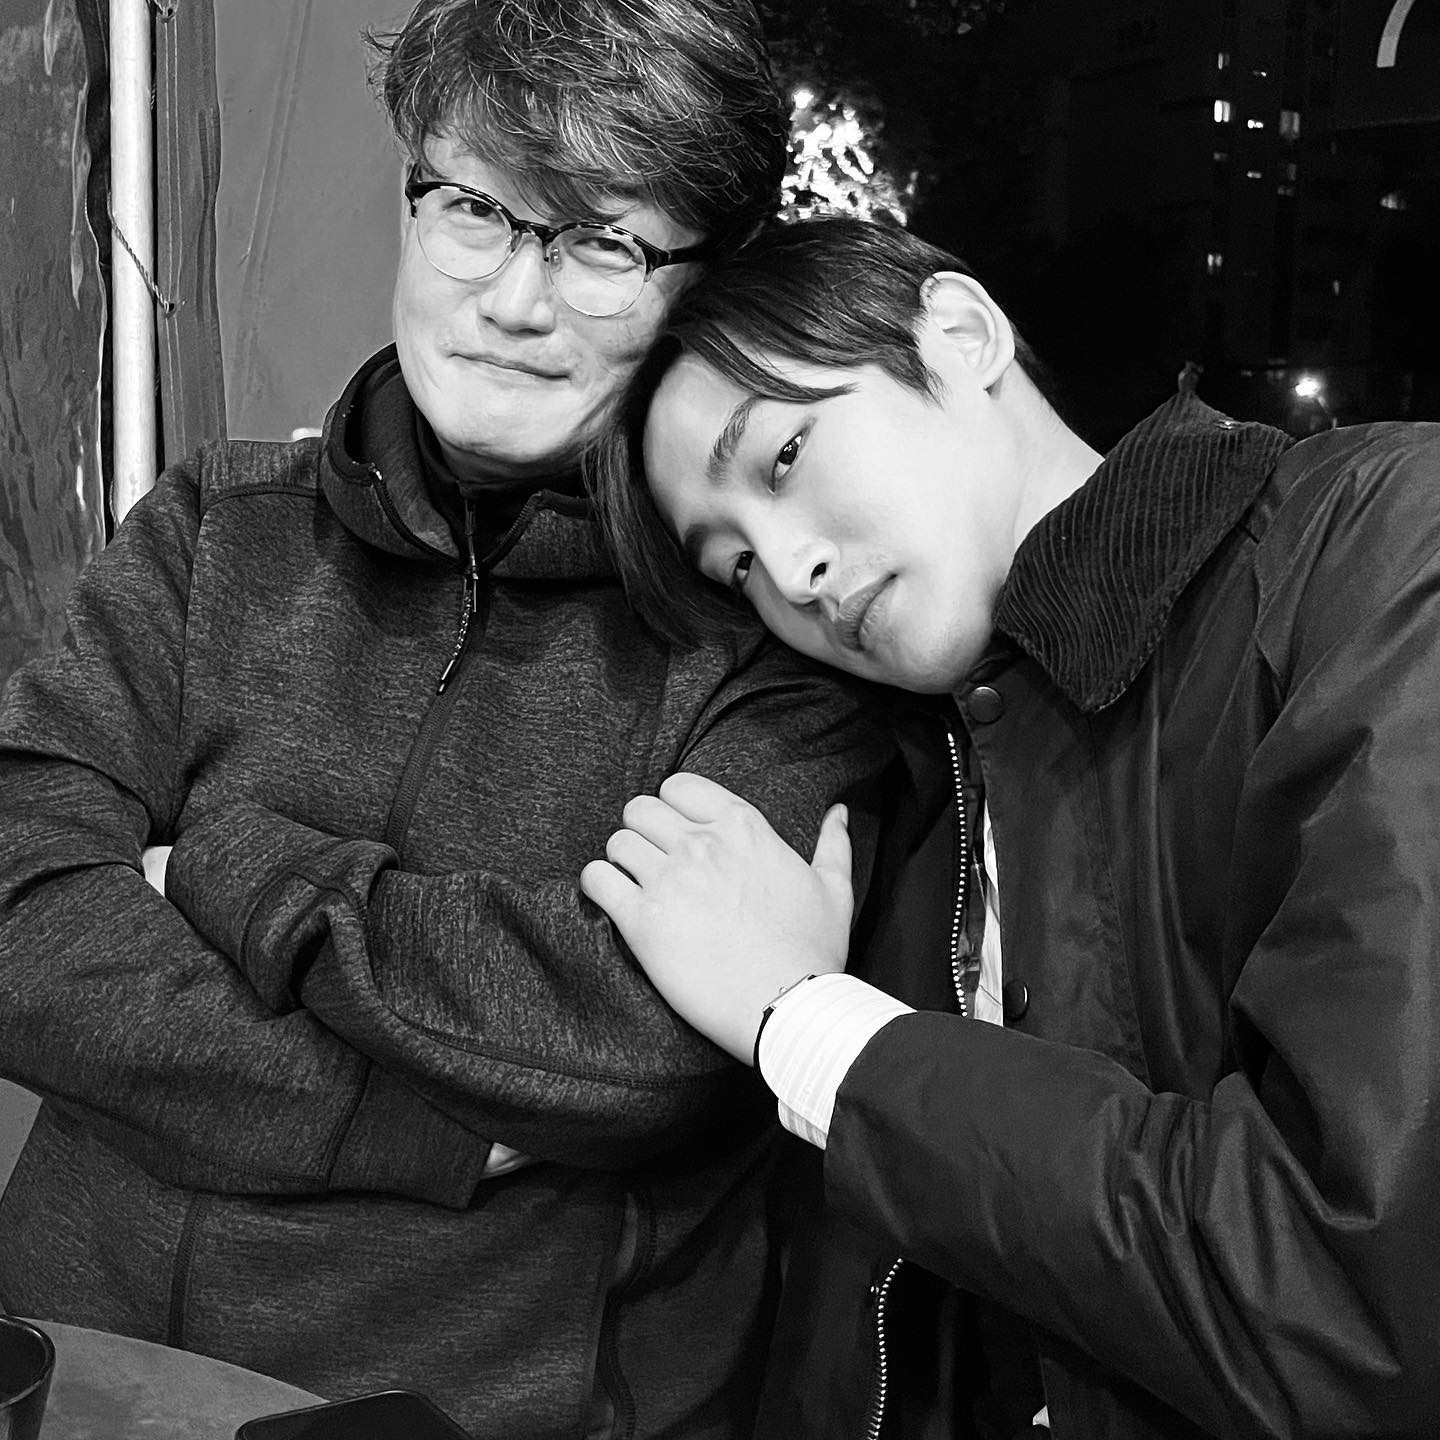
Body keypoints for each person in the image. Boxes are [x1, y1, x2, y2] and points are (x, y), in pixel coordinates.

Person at [0, 9, 890, 1435]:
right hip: (76, 1370)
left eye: (601, 243)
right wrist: (424, 1122)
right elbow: (18, 918)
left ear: (702, 284)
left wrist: (212, 868)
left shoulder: (765, 627)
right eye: (475, 209)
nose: (514, 303)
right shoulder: (216, 526)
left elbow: (646, 1050)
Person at [582, 214, 1440, 1438]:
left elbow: (1348, 1299)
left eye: (783, 457)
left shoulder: (1379, 543)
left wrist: (802, 1022)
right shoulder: (909, 772)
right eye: (735, 570)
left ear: (961, 334)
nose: (792, 572)